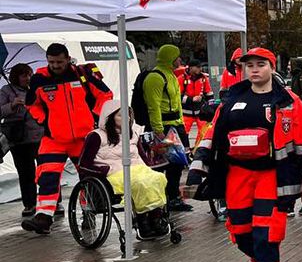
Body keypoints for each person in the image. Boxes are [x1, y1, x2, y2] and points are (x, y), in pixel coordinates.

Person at [188, 48, 302, 262]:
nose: (254, 69)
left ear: (271, 67)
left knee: (266, 232)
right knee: (240, 232)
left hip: (272, 176)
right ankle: (263, 258)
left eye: (260, 64)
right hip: (237, 175)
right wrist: (198, 168)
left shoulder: (289, 101)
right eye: (249, 65)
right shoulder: (231, 99)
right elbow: (212, 134)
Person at [22, 43, 113, 234]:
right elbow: (31, 104)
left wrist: (95, 117)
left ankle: (89, 213)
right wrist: (44, 120)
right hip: (54, 138)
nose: (55, 65)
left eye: (59, 62)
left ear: (68, 58)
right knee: (47, 175)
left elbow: (106, 94)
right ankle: (43, 217)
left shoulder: (83, 75)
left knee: (87, 176)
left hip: (83, 137)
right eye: (51, 62)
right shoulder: (39, 79)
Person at [78, 99, 170, 238]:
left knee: (157, 178)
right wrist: (104, 170)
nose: (126, 118)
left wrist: (152, 165)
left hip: (137, 168)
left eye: (127, 115)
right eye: (120, 115)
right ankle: (142, 222)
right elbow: (84, 164)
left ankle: (155, 218)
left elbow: (142, 157)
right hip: (114, 173)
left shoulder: (133, 134)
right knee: (139, 184)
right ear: (109, 117)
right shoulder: (97, 136)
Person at [141, 44, 192, 212]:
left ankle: (173, 197)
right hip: (164, 126)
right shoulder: (155, 77)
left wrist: (182, 126)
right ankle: (163, 199)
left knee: (177, 163)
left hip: (176, 125)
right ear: (170, 58)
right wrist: (158, 130)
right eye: (177, 56)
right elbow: (153, 106)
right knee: (162, 165)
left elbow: (176, 103)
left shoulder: (171, 75)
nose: (180, 60)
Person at [0, 64, 44, 217]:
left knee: (46, 170)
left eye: (29, 75)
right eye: (24, 75)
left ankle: (52, 202)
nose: (27, 78)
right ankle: (30, 204)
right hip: (18, 139)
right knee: (26, 173)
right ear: (16, 77)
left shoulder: (36, 88)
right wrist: (11, 105)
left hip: (39, 136)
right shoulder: (6, 91)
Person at [179, 59, 213, 138]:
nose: (200, 69)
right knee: (183, 133)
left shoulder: (203, 78)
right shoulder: (182, 78)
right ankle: (185, 149)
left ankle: (198, 148)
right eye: (198, 67)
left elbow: (209, 93)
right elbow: (177, 96)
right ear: (190, 68)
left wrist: (210, 106)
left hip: (200, 111)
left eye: (200, 67)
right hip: (186, 112)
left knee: (204, 132)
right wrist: (192, 99)